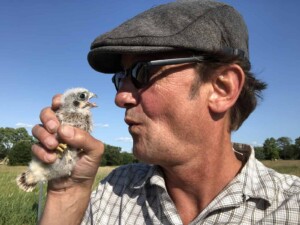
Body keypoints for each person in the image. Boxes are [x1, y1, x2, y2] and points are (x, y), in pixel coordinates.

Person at [32, 0, 300, 224]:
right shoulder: (113, 191)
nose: (120, 97)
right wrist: (68, 191)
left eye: (141, 72)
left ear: (222, 88)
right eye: (120, 78)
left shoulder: (290, 207)